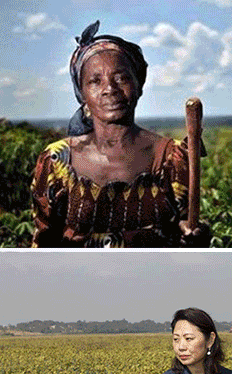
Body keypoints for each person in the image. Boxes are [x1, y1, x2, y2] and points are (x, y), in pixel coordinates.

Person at [31, 20, 209, 248]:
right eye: (95, 81)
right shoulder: (56, 161)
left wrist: (195, 235)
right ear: (82, 94)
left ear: (139, 84)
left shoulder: (172, 158)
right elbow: (44, 241)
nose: (110, 89)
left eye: (121, 77)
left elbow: (186, 227)